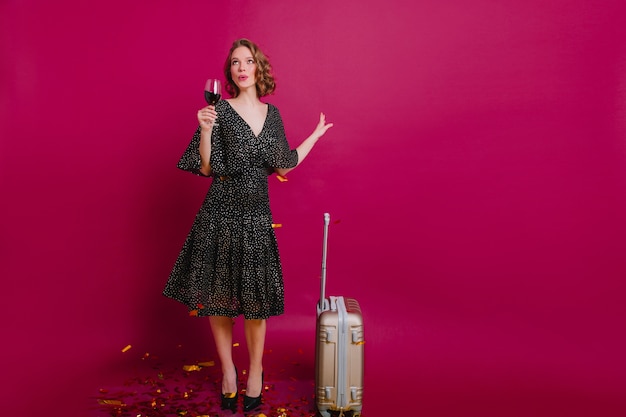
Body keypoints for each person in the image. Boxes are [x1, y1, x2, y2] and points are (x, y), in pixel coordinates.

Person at [163, 38, 333, 412]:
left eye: (248, 61)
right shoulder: (218, 112)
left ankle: (255, 370)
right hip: (220, 212)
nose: (242, 67)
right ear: (230, 73)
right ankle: (228, 372)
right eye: (235, 63)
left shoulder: (272, 116)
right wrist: (205, 130)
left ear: (258, 69)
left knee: (256, 304)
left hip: (257, 216)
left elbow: (284, 165)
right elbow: (206, 168)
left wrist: (316, 137)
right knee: (220, 301)